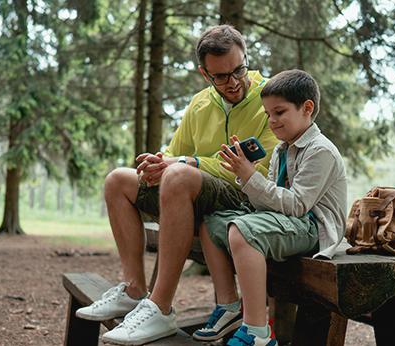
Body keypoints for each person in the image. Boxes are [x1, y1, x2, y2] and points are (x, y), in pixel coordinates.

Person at [75, 25, 279, 345]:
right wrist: (160, 164)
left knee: (179, 174)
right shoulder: (199, 104)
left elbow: (261, 170)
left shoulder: (270, 97)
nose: (234, 82)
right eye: (221, 76)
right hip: (190, 194)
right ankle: (133, 290)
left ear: (246, 59)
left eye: (239, 69)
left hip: (244, 199)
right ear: (204, 73)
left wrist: (187, 163)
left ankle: (160, 307)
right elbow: (173, 153)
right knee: (118, 180)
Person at [197, 69, 348, 346]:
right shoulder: (281, 149)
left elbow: (298, 205)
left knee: (242, 232)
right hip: (284, 220)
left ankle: (257, 331)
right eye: (268, 114)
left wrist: (251, 178)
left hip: (313, 227)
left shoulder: (320, 151)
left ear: (307, 108)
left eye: (279, 112)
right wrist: (248, 173)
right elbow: (266, 198)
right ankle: (229, 307)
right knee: (211, 222)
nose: (272, 121)